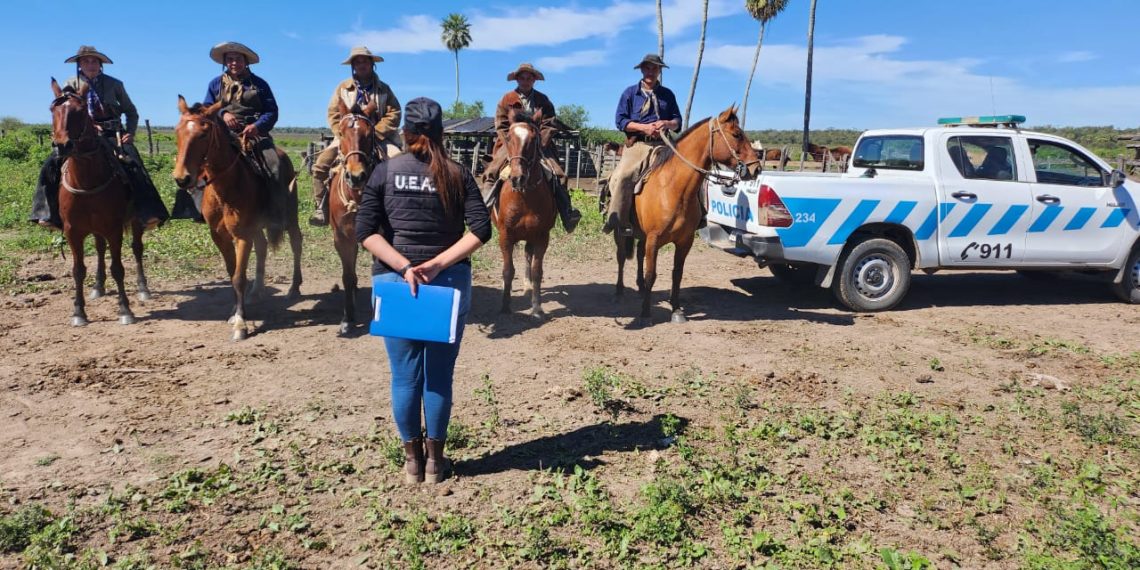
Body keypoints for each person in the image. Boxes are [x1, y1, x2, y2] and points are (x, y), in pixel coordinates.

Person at [355, 97, 491, 485]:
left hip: (395, 286)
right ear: (440, 133)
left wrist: (404, 266)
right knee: (438, 378)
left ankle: (412, 463)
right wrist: (436, 265)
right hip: (445, 287)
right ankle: (436, 463)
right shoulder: (457, 173)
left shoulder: (384, 171)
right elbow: (481, 230)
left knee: (403, 377)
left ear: (407, 132)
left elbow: (364, 231)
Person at [30, 45, 169, 230]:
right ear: (79, 64)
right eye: (86, 61)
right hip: (79, 137)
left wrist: (131, 132)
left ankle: (148, 210)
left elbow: (131, 111)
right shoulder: (69, 84)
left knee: (133, 162)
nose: (91, 64)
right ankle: (48, 213)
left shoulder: (115, 84)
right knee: (51, 164)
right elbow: (63, 113)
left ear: (101, 64)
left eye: (95, 61)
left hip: (112, 134)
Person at [309, 46, 403, 226]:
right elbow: (333, 113)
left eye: (365, 61)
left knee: (399, 162)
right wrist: (343, 134)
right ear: (353, 65)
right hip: (347, 137)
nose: (362, 64)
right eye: (357, 61)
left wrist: (376, 131)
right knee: (320, 165)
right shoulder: (343, 88)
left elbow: (395, 113)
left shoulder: (384, 89)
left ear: (371, 64)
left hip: (379, 136)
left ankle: (398, 208)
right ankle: (321, 206)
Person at [198, 41, 287, 229]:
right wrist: (224, 113)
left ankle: (274, 212)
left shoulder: (260, 84)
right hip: (221, 135)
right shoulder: (215, 84)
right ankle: (197, 209)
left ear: (246, 62)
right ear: (225, 62)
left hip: (253, 135)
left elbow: (272, 111)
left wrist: (257, 126)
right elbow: (206, 109)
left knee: (275, 164)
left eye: (238, 59)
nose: (233, 63)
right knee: (194, 162)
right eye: (229, 59)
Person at [484, 63, 581, 233]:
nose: (526, 80)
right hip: (511, 143)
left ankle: (567, 213)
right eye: (522, 77)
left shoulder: (543, 100)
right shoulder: (506, 99)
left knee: (558, 174)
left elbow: (550, 124)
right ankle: (483, 211)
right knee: (492, 171)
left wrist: (539, 142)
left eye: (529, 78)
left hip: (538, 143)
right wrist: (511, 143)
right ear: (517, 79)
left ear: (534, 80)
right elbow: (500, 125)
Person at [603, 54, 682, 237]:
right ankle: (618, 220)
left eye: (655, 68)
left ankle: (697, 216)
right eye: (647, 68)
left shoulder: (668, 95)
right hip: (638, 144)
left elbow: (677, 120)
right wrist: (644, 128)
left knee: (689, 171)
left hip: (663, 143)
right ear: (641, 70)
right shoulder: (630, 93)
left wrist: (666, 123)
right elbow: (620, 121)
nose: (650, 72)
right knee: (622, 176)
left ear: (659, 70)